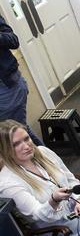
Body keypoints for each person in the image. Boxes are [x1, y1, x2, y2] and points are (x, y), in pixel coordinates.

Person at [0, 13, 41, 146]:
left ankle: (48, 164)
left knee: (17, 136)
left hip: (7, 88)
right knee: (19, 131)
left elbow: (13, 40)